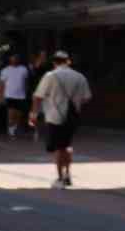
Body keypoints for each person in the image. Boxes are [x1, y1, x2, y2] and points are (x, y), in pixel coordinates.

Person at [32, 50, 92, 188]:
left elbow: (38, 96)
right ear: (68, 61)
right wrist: (74, 103)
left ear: (54, 62)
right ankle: (68, 174)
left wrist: (34, 114)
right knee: (67, 145)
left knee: (59, 147)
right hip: (73, 116)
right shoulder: (79, 76)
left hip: (54, 116)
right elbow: (87, 97)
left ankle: (60, 178)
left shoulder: (50, 75)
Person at [0, 54, 32, 138]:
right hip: (9, 95)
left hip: (21, 95)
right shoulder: (5, 70)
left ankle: (14, 129)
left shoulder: (23, 69)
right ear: (10, 59)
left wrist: (26, 92)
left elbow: (26, 82)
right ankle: (11, 131)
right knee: (11, 114)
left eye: (16, 58)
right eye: (13, 58)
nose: (14, 60)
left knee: (18, 114)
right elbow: (2, 84)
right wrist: (2, 95)